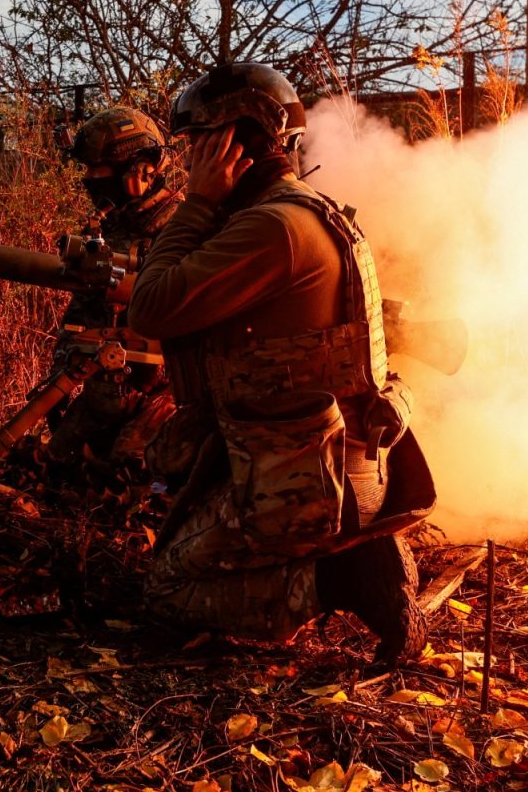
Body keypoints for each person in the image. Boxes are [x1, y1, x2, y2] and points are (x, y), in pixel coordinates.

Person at [125, 62, 435, 666]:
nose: (189, 160)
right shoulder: (306, 210)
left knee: (167, 588)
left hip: (309, 485)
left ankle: (345, 577)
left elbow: (151, 307)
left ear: (230, 143)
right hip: (332, 466)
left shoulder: (272, 228)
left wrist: (198, 202)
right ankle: (346, 555)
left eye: (198, 144)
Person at [46, 107, 182, 469]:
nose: (89, 179)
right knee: (54, 461)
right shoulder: (109, 228)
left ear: (139, 171)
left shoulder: (182, 229)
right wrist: (60, 373)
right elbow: (81, 314)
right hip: (105, 393)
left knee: (128, 469)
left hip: (163, 397)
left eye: (98, 170)